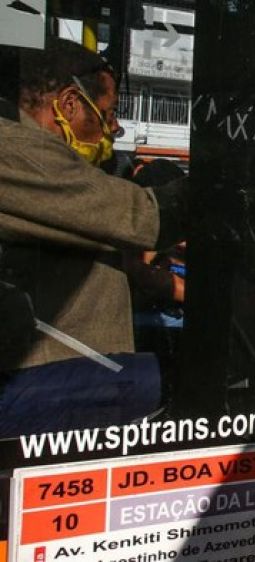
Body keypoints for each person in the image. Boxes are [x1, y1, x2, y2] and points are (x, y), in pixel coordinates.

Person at [0, 39, 187, 434]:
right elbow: (140, 217)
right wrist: (226, 186)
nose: (114, 127)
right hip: (54, 382)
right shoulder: (18, 150)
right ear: (69, 104)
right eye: (107, 113)